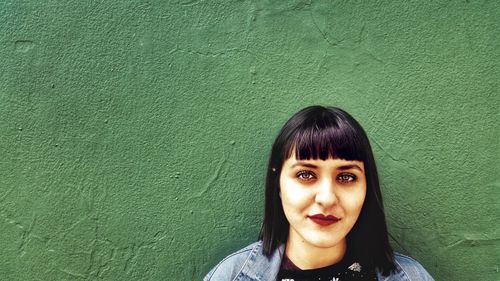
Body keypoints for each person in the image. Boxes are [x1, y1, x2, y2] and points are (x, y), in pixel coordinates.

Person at [204, 106, 434, 281]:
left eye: (346, 177)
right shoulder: (231, 275)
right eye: (305, 175)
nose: (326, 198)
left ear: (366, 187)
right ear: (278, 183)